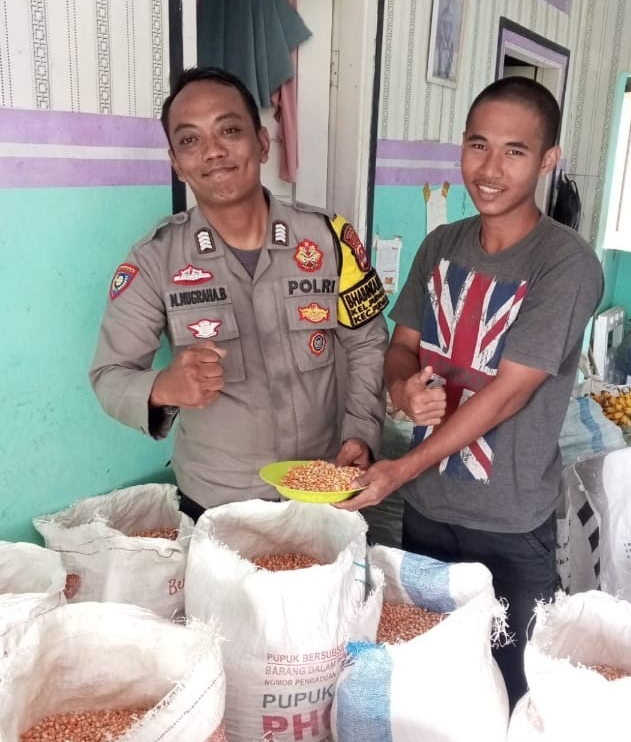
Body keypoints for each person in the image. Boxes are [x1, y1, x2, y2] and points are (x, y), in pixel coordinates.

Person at [338, 76, 604, 709]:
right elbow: (400, 346)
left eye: (515, 151)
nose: (490, 169)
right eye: (478, 145)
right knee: (432, 677)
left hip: (509, 524)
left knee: (510, 689)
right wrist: (403, 389)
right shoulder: (441, 245)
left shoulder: (566, 264)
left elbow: (510, 393)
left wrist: (399, 468)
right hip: (429, 511)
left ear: (547, 160)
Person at [89, 66, 389, 521]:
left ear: (263, 142)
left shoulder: (329, 238)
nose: (212, 151)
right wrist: (163, 387)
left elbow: (367, 342)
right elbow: (109, 375)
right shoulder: (155, 260)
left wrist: (362, 432)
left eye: (229, 130)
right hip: (217, 502)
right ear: (176, 162)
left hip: (325, 487)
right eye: (190, 139)